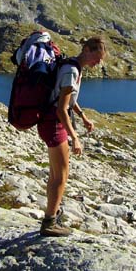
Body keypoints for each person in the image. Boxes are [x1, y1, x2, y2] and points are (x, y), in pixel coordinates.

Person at [37, 37, 107, 236]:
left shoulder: (73, 67)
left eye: (100, 59)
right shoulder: (71, 71)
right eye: (96, 57)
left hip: (50, 122)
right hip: (54, 124)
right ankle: (49, 222)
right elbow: (61, 108)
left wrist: (83, 116)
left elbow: (68, 99)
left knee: (56, 174)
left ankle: (52, 214)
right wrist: (75, 137)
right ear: (86, 49)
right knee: (61, 176)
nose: (98, 62)